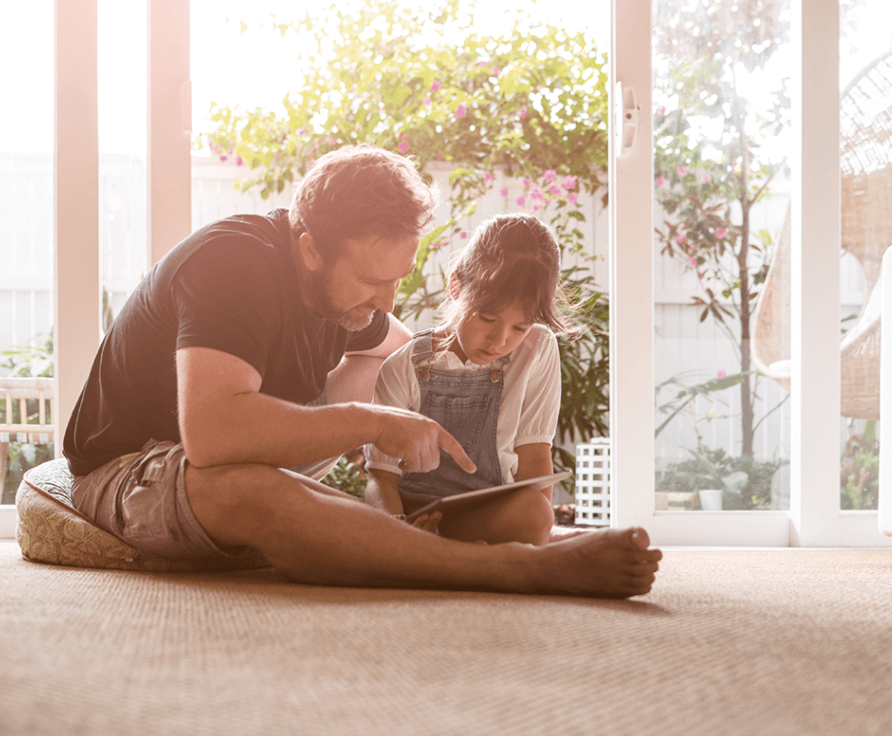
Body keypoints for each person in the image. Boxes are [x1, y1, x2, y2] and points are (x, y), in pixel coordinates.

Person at [63, 145, 661, 598]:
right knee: (258, 490)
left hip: (219, 454)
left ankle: (413, 533)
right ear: (309, 249)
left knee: (363, 388)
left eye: (396, 278)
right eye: (373, 281)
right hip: (134, 464)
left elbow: (402, 353)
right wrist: (370, 422)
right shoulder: (234, 262)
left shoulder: (341, 302)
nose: (385, 299)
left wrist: (421, 423)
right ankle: (516, 570)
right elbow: (213, 434)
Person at [364, 213, 567, 546]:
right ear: (456, 284)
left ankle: (448, 552)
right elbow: (381, 476)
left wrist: (539, 535)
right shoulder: (402, 367)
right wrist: (397, 528)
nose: (499, 341)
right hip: (415, 514)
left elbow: (534, 456)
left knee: (536, 514)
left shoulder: (538, 347)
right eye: (487, 318)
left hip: (485, 515)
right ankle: (438, 550)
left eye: (520, 327)